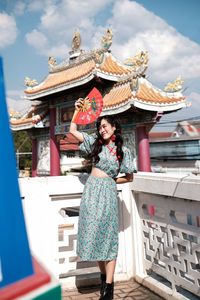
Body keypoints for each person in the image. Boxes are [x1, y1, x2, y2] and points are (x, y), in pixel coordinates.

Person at [70, 99, 135, 300]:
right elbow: (73, 130)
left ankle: (108, 289)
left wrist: (112, 181)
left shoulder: (123, 151)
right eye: (100, 127)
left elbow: (130, 176)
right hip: (91, 192)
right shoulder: (95, 144)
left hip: (107, 193)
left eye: (105, 126)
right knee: (93, 235)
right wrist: (77, 111)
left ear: (114, 128)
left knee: (108, 239)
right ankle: (104, 276)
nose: (102, 129)